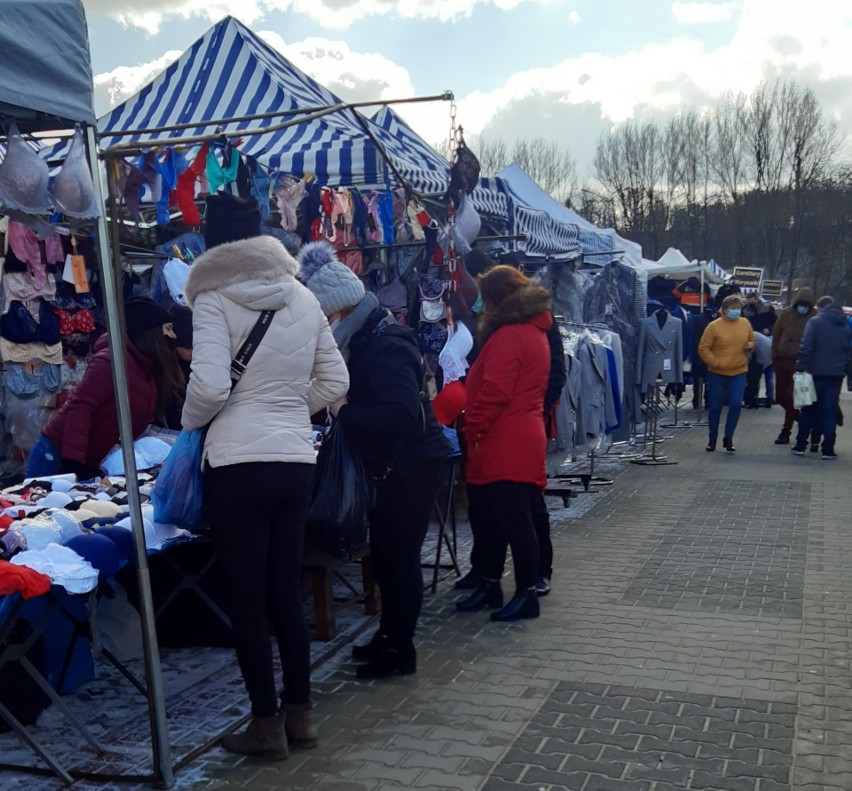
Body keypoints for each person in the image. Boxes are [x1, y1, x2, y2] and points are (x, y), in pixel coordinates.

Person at [181, 208, 349, 760]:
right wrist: (284, 412)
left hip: (236, 465)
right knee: (285, 593)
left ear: (213, 247)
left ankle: (266, 725)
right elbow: (336, 379)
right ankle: (302, 718)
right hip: (294, 463)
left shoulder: (211, 298)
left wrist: (195, 425)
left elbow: (206, 388)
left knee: (248, 602)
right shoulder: (301, 296)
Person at [298, 240, 450, 680]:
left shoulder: (385, 346)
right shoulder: (366, 339)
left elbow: (404, 416)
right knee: (385, 559)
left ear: (338, 311)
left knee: (399, 561)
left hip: (412, 468)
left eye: (323, 318)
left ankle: (400, 650)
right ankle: (389, 637)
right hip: (394, 468)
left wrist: (345, 411)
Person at [455, 250, 565, 599]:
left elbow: (496, 391)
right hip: (514, 432)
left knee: (518, 517)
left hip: (506, 436)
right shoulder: (529, 330)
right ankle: (500, 583)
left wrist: (472, 427)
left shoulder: (512, 334)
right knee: (502, 514)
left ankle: (526, 590)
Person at [26, 298, 184, 479]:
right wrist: (73, 462)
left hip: (91, 460)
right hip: (57, 456)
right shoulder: (111, 362)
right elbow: (80, 407)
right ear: (150, 334)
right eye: (168, 329)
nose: (173, 336)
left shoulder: (146, 369)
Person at [791, 296, 851, 459]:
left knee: (808, 410)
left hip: (813, 374)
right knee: (829, 412)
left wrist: (800, 367)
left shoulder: (815, 322)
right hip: (836, 376)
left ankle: (801, 445)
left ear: (821, 308)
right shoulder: (845, 324)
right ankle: (828, 449)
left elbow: (806, 346)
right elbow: (847, 350)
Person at [698, 294, 755, 453]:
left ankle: (728, 437)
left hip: (739, 371)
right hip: (717, 372)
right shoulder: (714, 326)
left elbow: (752, 340)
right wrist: (715, 362)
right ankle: (712, 438)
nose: (736, 311)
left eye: (738, 308)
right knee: (715, 406)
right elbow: (703, 348)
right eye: (733, 308)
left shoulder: (744, 323)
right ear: (724, 309)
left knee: (736, 404)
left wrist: (750, 346)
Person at [771, 287, 816, 444]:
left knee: (791, 398)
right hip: (782, 360)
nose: (802, 307)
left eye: (806, 305)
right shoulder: (786, 313)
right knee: (779, 397)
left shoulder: (814, 317)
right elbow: (776, 334)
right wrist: (775, 356)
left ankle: (786, 431)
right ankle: (801, 420)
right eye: (800, 304)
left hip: (800, 363)